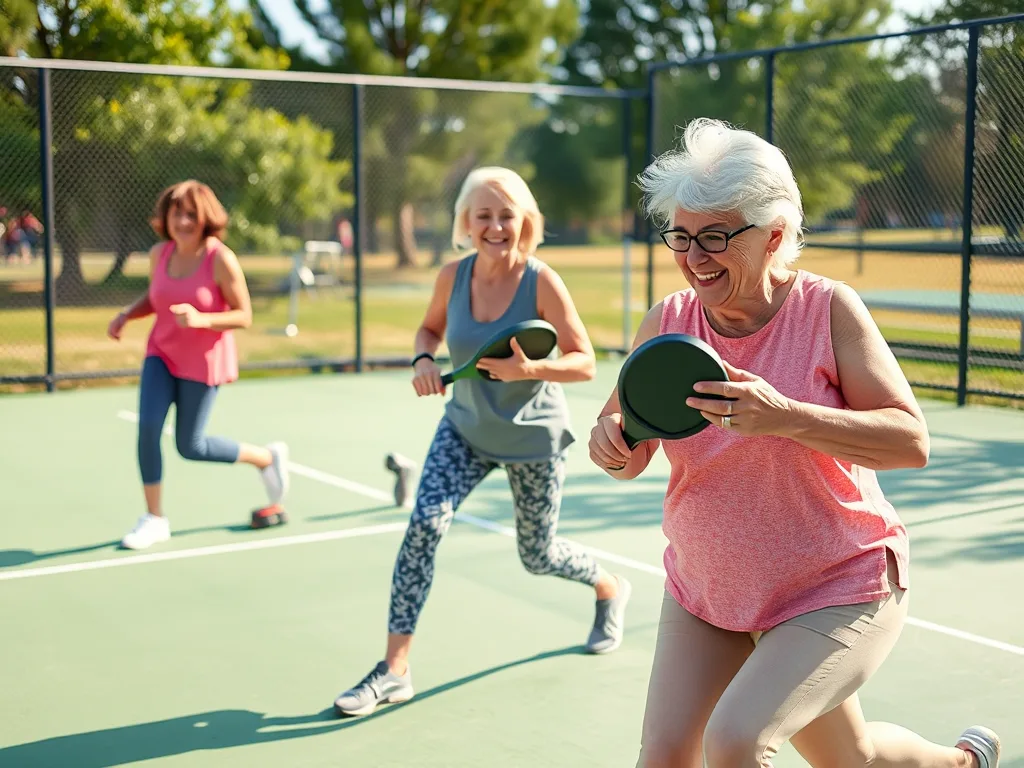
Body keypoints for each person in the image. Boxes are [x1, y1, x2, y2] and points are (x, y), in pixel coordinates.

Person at [588, 119, 1001, 768]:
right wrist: (610, 442)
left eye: (717, 237)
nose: (694, 257)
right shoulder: (666, 323)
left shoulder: (828, 311)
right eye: (682, 236)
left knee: (734, 741)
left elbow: (909, 441)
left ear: (774, 236)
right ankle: (962, 763)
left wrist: (783, 415)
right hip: (709, 592)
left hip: (837, 587)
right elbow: (626, 444)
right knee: (810, 758)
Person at [332, 166, 632, 717]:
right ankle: (395, 669)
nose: (495, 226)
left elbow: (586, 361)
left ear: (525, 222)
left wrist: (531, 370)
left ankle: (609, 586)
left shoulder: (541, 280)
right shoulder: (452, 275)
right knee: (423, 525)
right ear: (466, 223)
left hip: (532, 439)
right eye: (483, 216)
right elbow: (428, 330)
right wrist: (424, 358)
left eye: (506, 215)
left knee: (537, 557)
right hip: (464, 429)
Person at [107, 180, 289, 550]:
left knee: (191, 446)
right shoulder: (161, 254)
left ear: (205, 218)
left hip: (203, 362)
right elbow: (157, 296)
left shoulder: (220, 259)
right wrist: (128, 314)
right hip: (162, 353)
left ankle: (266, 458)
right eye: (177, 212)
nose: (184, 221)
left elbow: (244, 315)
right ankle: (154, 519)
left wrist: (203, 320)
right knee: (148, 430)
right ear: (166, 216)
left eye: (191, 214)